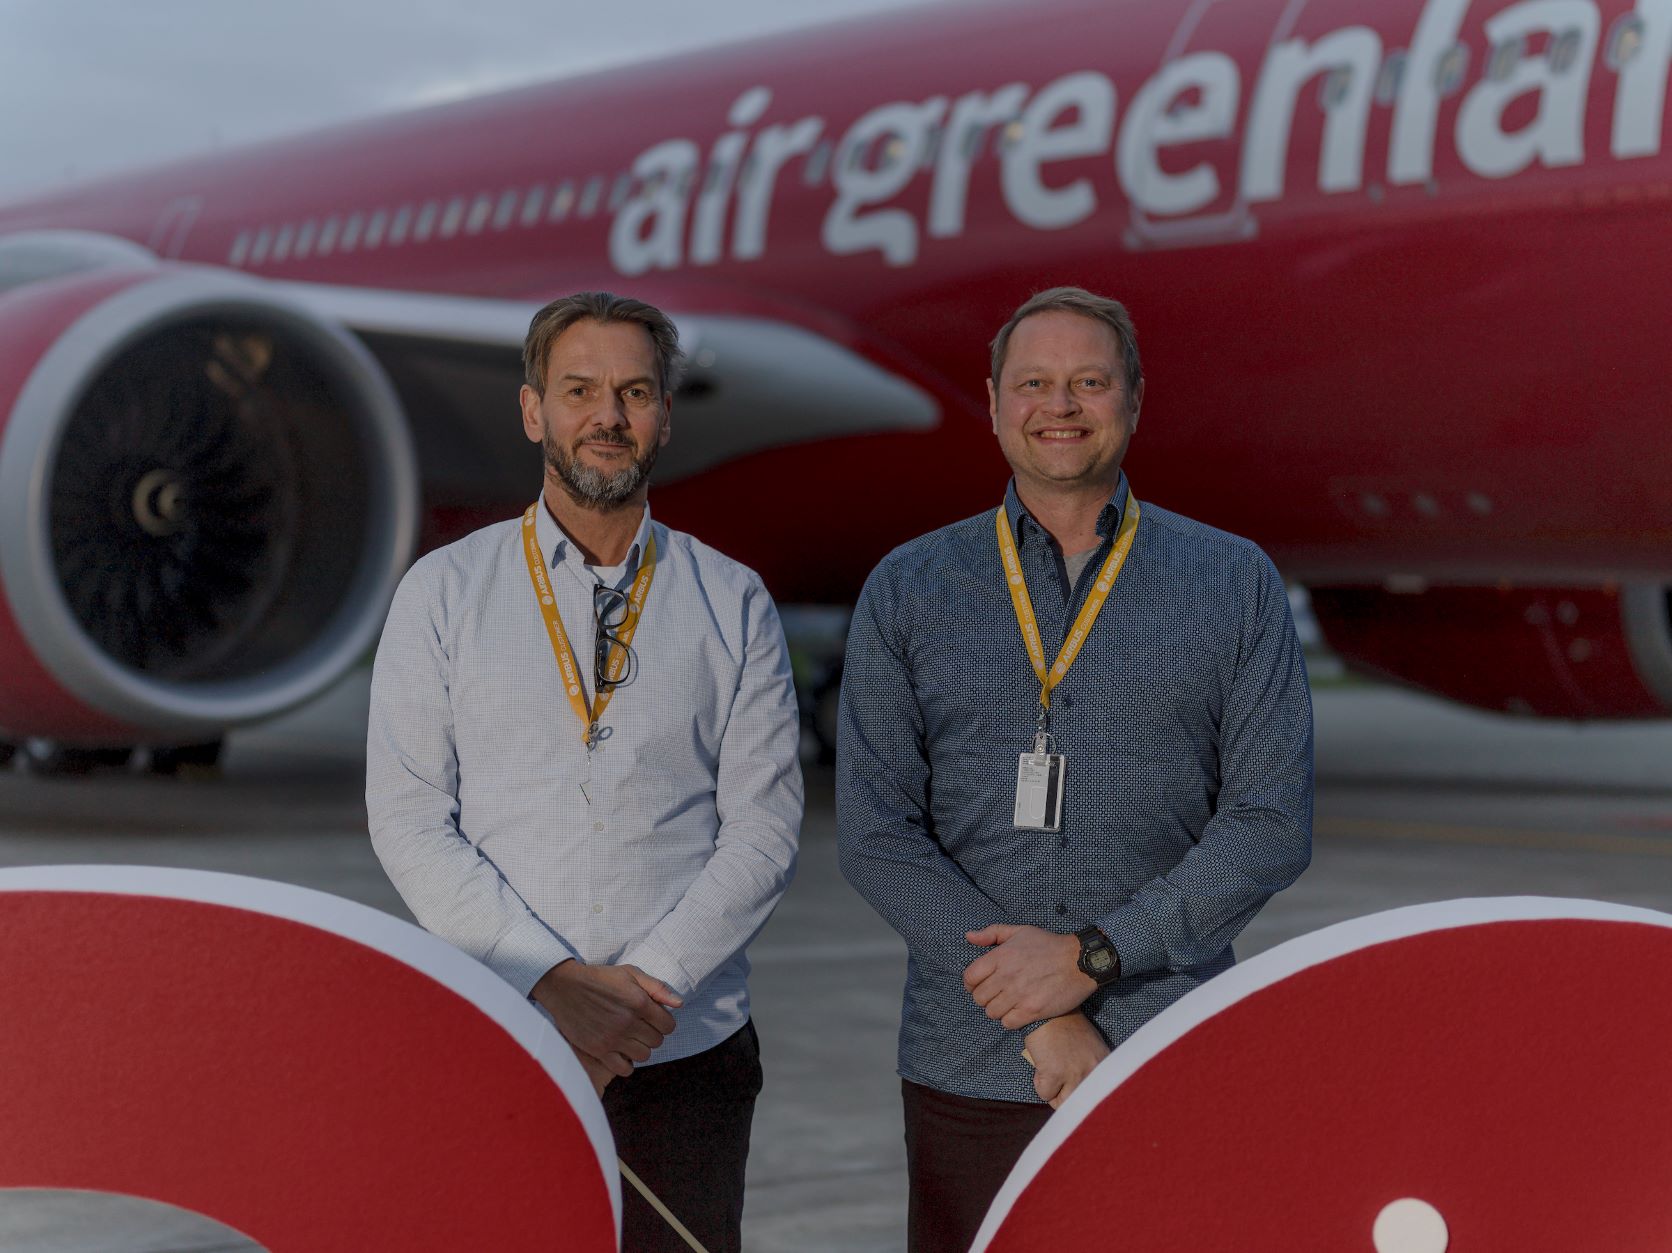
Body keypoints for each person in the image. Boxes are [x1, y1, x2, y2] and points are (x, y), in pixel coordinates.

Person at [836, 286, 1312, 1253]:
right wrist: (1037, 1011)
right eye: (1035, 383)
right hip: (968, 1067)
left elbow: (1269, 821)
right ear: (996, 398)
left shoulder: (1235, 580)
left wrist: (1092, 956)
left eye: (1089, 382)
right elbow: (878, 834)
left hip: (1167, 1042)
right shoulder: (909, 586)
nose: (1061, 405)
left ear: (1133, 398)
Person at [367, 291, 802, 1253]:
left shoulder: (731, 599)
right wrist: (553, 981)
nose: (608, 415)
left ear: (664, 414)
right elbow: (407, 818)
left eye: (634, 391)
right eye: (580, 390)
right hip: (503, 1032)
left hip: (686, 1051)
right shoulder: (443, 592)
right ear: (534, 411)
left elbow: (765, 831)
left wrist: (635, 1003)